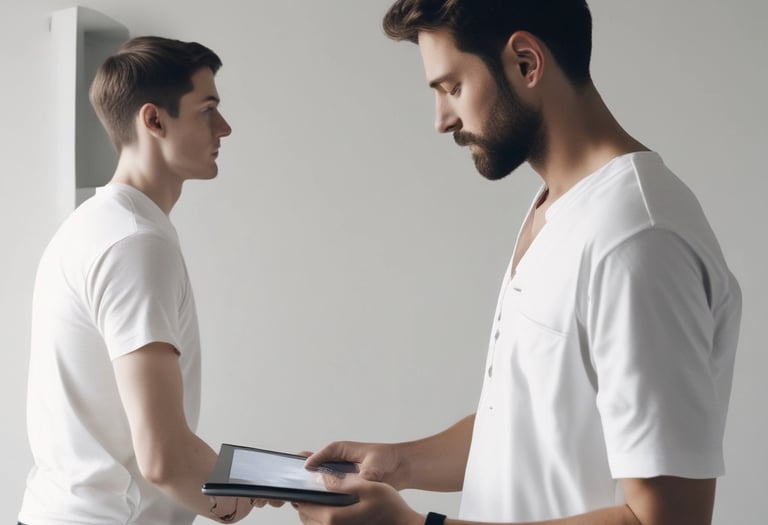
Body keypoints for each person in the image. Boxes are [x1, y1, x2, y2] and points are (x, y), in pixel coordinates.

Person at [295, 1, 742, 525]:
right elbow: (532, 425)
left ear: (527, 62)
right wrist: (398, 463)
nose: (442, 121)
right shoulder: (558, 207)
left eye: (452, 87)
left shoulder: (636, 238)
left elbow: (666, 519)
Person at [18, 36, 259, 524]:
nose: (225, 127)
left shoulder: (94, 225)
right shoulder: (135, 243)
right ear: (153, 120)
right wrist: (236, 503)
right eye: (207, 108)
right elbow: (163, 457)